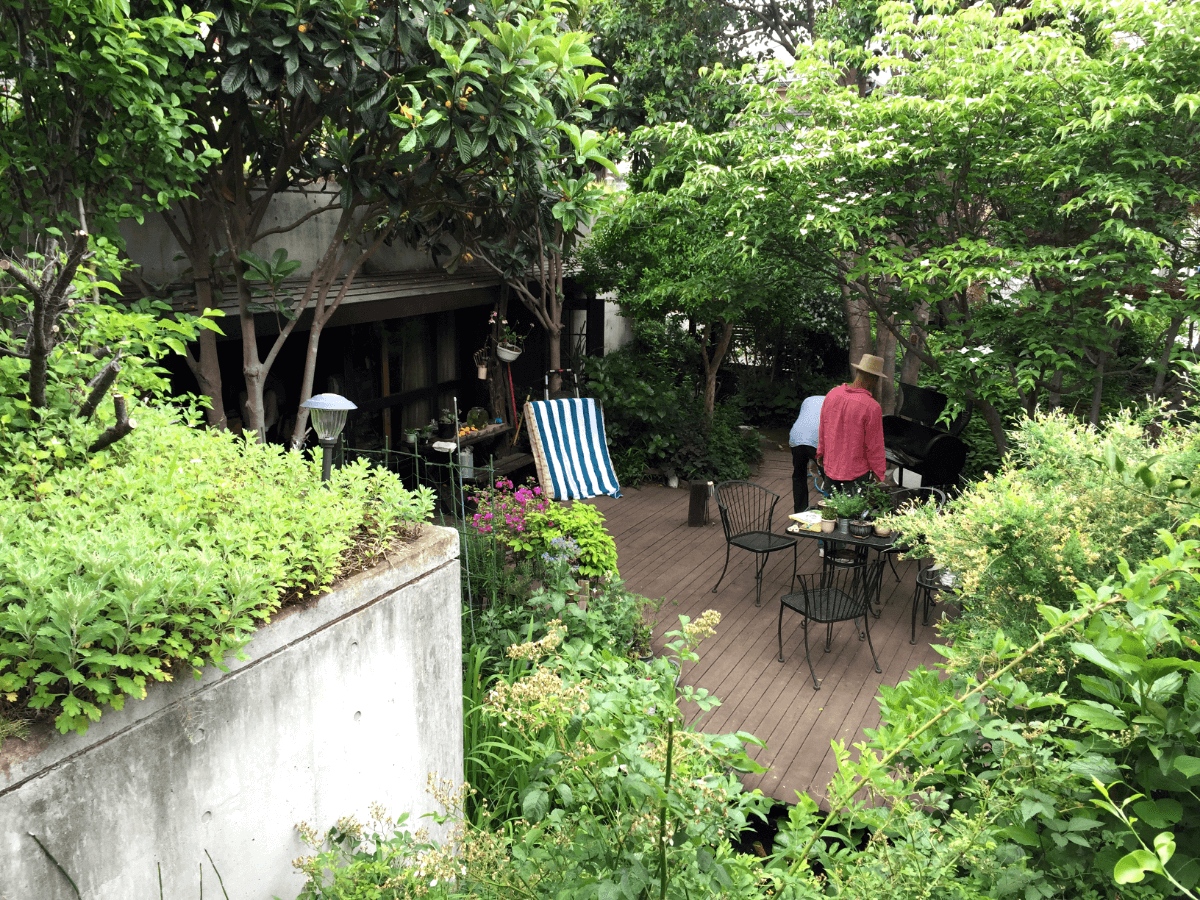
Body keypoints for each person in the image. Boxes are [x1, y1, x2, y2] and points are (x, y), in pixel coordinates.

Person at [817, 353, 887, 493]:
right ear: (873, 379)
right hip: (855, 473)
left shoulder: (832, 394)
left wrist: (820, 452)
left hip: (830, 467)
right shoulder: (872, 407)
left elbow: (823, 428)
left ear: (857, 372)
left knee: (829, 506)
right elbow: (874, 445)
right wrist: (879, 472)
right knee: (852, 507)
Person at [788, 394, 824, 512]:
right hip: (816, 437)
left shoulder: (808, 400)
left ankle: (800, 512)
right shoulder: (835, 401)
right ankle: (831, 512)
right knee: (829, 477)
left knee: (799, 476)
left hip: (796, 436)